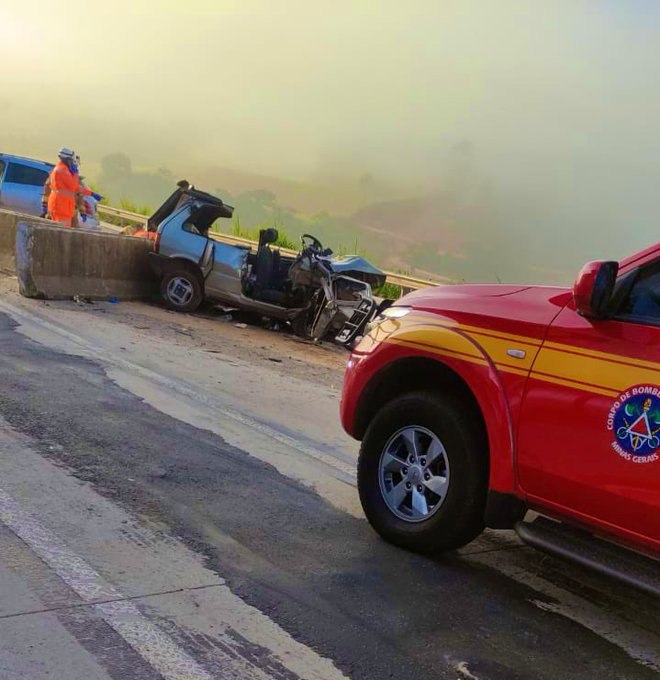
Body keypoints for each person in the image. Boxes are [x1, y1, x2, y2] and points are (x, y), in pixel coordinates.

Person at [46, 147, 102, 227]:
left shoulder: (60, 169)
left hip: (62, 206)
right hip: (62, 207)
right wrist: (75, 174)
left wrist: (91, 194)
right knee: (63, 232)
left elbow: (77, 192)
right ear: (67, 159)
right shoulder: (63, 171)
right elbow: (74, 187)